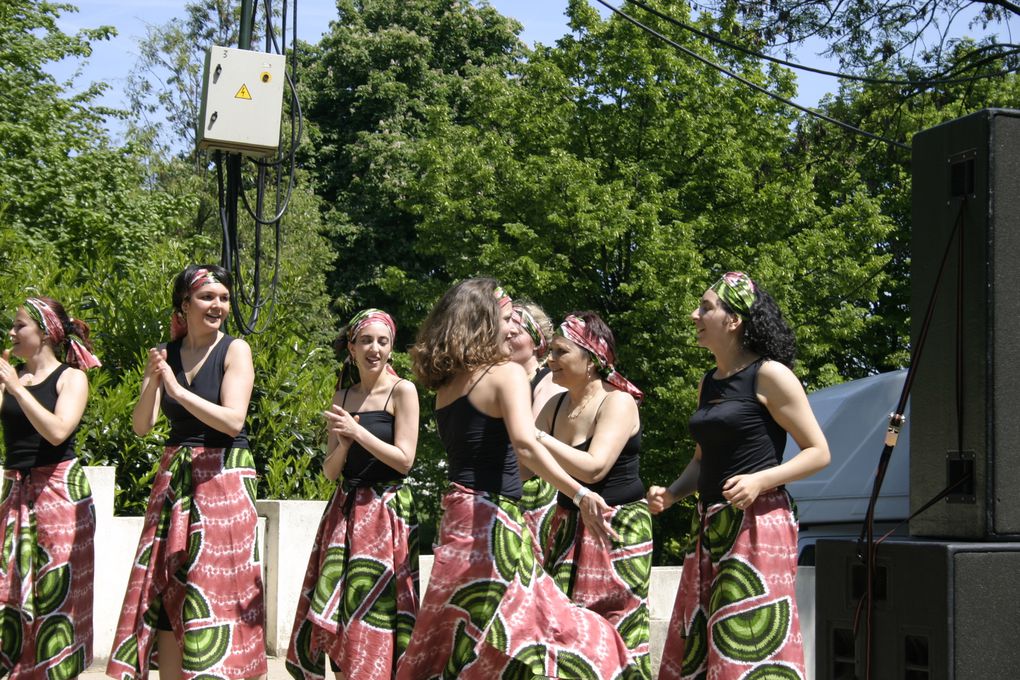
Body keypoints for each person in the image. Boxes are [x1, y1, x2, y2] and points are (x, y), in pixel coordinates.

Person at [395, 278, 635, 679]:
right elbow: (525, 445)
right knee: (540, 623)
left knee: (457, 629)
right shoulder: (504, 375)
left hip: (458, 520)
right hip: (493, 523)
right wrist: (578, 493)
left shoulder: (447, 385)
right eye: (505, 318)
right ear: (482, 320)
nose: (510, 328)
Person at [649, 272, 830, 680]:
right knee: (702, 641)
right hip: (710, 527)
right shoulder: (708, 383)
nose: (694, 314)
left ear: (734, 320)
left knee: (745, 645)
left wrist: (759, 480)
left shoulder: (770, 375)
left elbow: (819, 452)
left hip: (758, 526)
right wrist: (673, 494)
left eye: (706, 307)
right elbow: (701, 461)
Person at [107, 265, 266, 680]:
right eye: (207, 297)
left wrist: (177, 391)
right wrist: (151, 379)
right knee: (166, 586)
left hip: (224, 478)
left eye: (224, 298)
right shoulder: (167, 353)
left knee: (214, 591)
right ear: (184, 304)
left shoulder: (236, 350)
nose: (218, 305)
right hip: (175, 477)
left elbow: (233, 421)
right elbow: (142, 426)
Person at [286, 309, 419, 680]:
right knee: (341, 614)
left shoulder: (402, 390)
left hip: (385, 513)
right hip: (344, 513)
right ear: (351, 347)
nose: (374, 348)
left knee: (376, 614)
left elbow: (405, 461)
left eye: (382, 341)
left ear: (391, 348)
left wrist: (360, 434)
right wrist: (344, 443)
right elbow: (331, 471)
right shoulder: (341, 395)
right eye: (365, 340)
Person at [536, 311, 653, 678]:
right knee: (563, 628)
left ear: (590, 360)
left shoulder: (617, 402)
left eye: (559, 352)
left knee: (617, 630)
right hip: (567, 524)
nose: (549, 360)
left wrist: (536, 437)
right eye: (550, 351)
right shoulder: (556, 406)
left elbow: (594, 467)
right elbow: (526, 463)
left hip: (616, 528)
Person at [0, 297, 101, 679]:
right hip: (16, 495)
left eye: (20, 325)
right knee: (9, 596)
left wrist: (16, 387)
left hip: (60, 494)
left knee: (57, 597)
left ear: (44, 333)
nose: (12, 332)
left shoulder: (71, 378)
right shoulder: (12, 379)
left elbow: (58, 430)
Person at [507, 301, 564, 559]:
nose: (507, 334)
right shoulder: (507, 383)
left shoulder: (548, 382)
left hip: (537, 495)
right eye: (505, 328)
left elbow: (530, 455)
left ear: (536, 342)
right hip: (513, 488)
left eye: (516, 332)